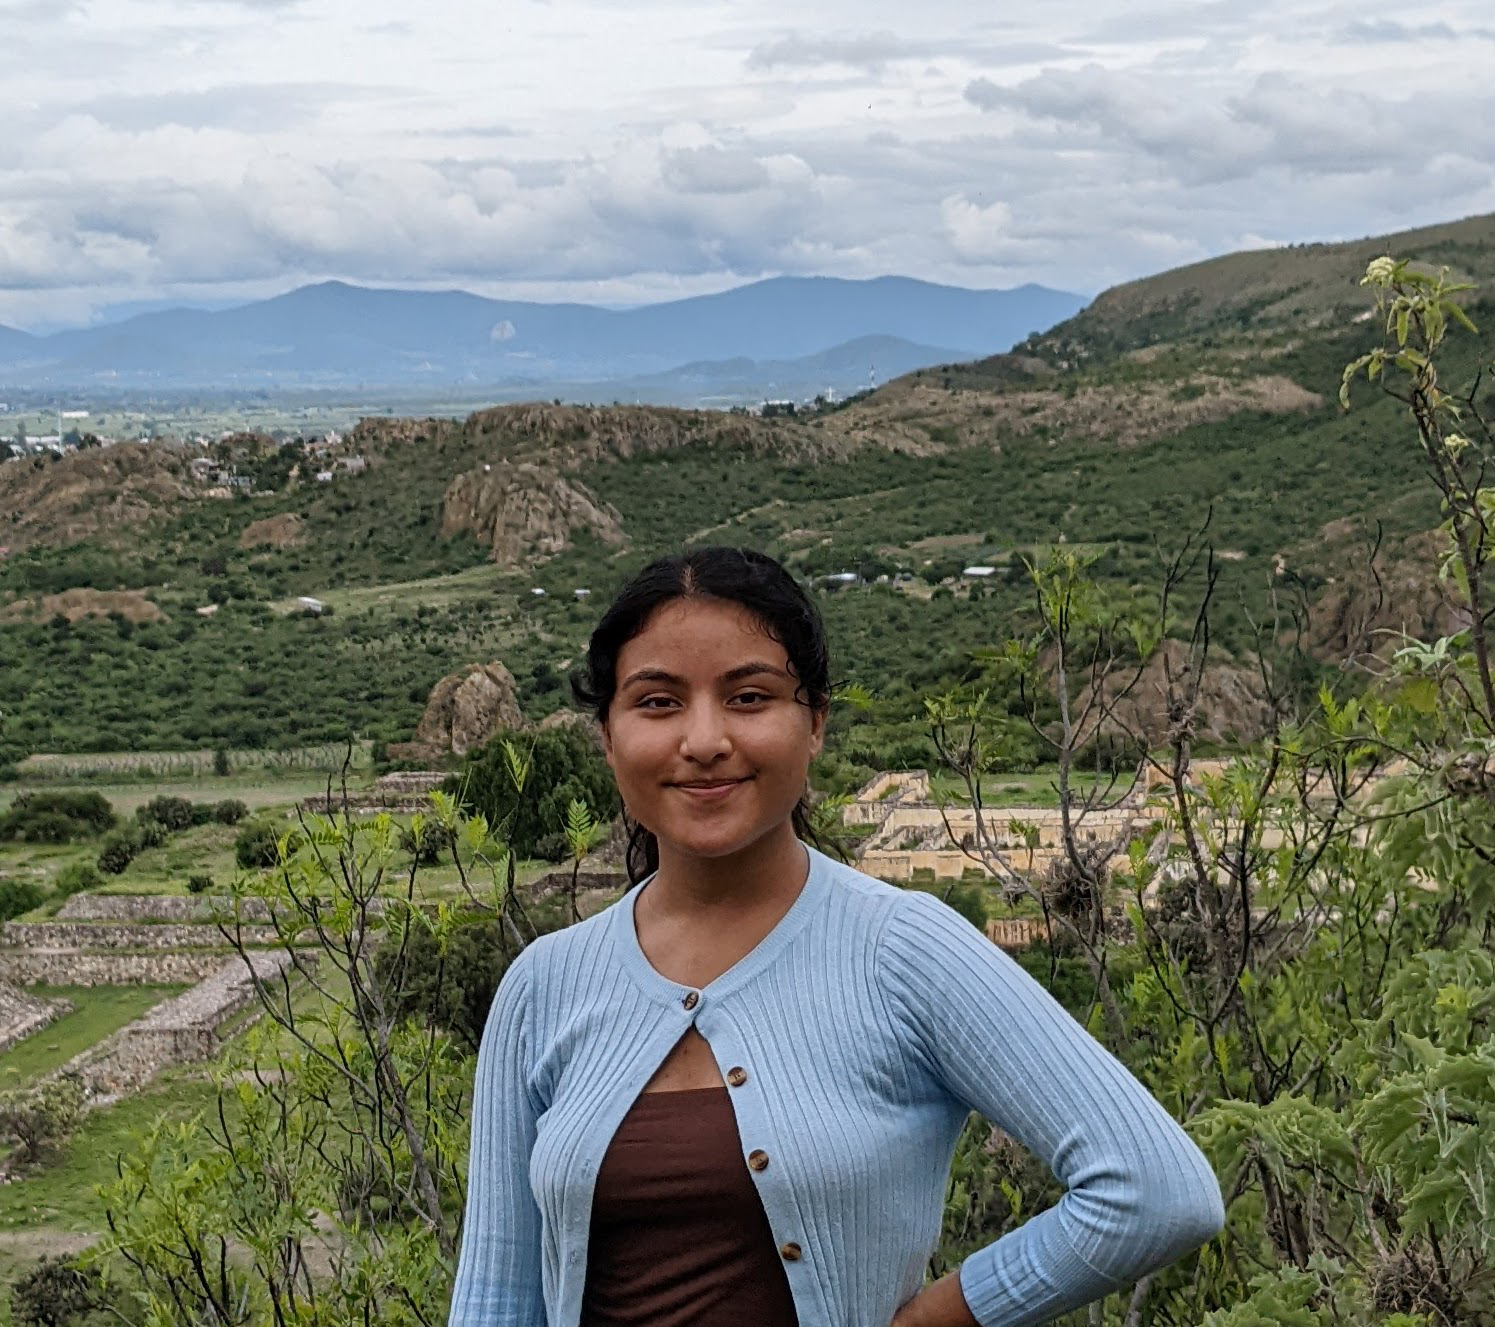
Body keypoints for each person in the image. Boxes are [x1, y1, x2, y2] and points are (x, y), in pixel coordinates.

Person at [448, 545, 1224, 1327]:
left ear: (814, 720)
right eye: (657, 702)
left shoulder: (903, 950)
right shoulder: (544, 983)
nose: (706, 738)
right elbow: (493, 1299)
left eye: (749, 696)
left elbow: (1154, 1188)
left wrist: (937, 1318)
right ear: (608, 737)